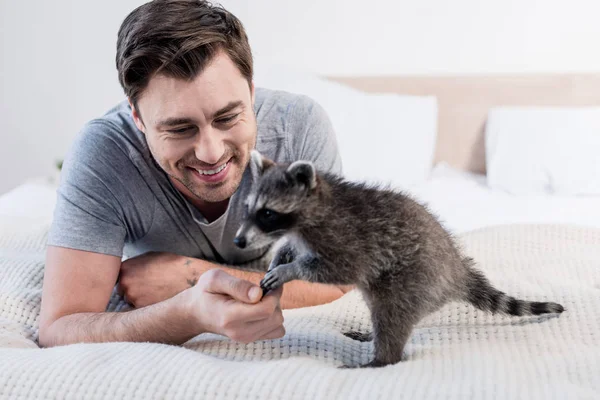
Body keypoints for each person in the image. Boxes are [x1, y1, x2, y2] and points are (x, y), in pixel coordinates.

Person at [38, 0, 351, 348]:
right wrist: (187, 313)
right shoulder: (104, 153)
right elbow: (60, 328)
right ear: (138, 118)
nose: (211, 153)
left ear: (250, 91)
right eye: (180, 129)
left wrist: (194, 277)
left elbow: (338, 279)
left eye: (227, 118)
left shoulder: (298, 127)